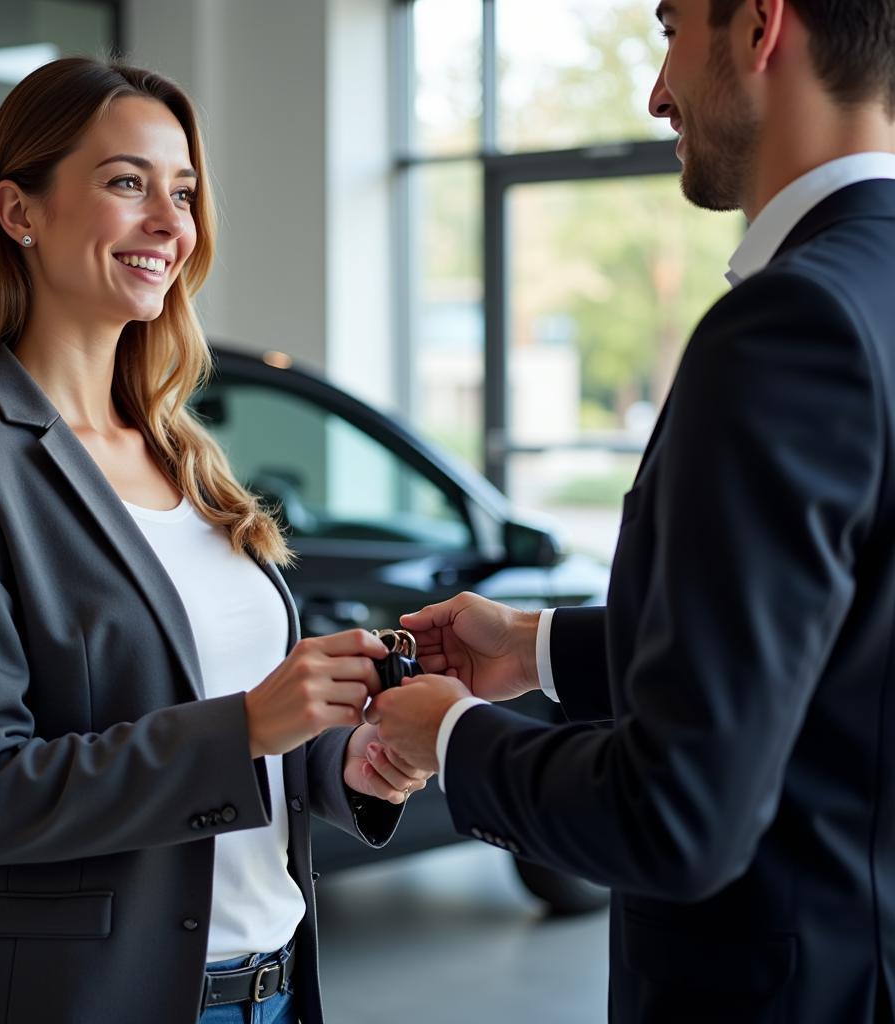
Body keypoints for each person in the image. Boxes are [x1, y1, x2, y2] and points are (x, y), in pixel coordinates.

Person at [0, 57, 430, 1024]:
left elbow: (224, 734)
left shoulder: (182, 451)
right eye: (127, 183)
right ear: (20, 211)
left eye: (183, 191)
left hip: (272, 990)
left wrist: (343, 762)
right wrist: (249, 725)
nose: (172, 225)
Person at [367, 1, 895, 1021]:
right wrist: (535, 648)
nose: (658, 90)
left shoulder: (790, 325)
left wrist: (454, 739)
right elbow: (832, 654)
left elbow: (678, 817)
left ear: (757, 26)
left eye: (669, 28)